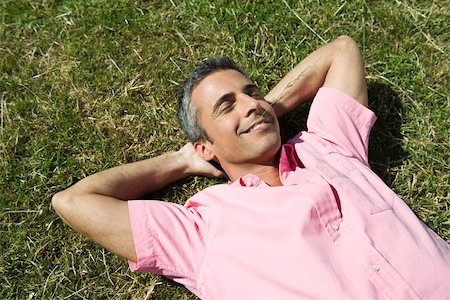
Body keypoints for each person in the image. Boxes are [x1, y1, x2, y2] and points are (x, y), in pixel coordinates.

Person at [52, 36, 450, 299]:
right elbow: (73, 201)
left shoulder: (328, 144)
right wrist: (182, 160)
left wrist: (262, 115)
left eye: (251, 93)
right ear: (203, 145)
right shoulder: (203, 231)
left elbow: (341, 51)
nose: (250, 103)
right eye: (227, 106)